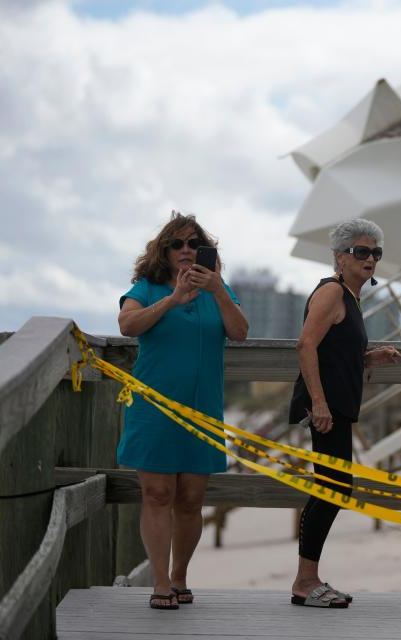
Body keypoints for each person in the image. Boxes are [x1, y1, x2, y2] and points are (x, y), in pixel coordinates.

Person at [117, 212, 248, 610]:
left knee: (191, 498)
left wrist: (218, 290)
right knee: (157, 493)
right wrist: (172, 300)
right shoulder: (148, 286)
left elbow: (240, 332)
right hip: (153, 407)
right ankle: (159, 582)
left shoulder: (218, 288)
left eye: (194, 243)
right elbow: (127, 325)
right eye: (178, 244)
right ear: (165, 251)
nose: (187, 250)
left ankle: (180, 577)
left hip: (202, 409)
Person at [288, 218, 401, 609]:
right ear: (340, 257)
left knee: (333, 488)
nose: (371, 259)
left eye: (376, 253)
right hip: (328, 409)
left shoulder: (350, 298)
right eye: (362, 252)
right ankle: (305, 582)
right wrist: (318, 403)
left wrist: (370, 357)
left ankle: (308, 578)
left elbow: (334, 350)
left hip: (338, 406)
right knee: (332, 489)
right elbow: (306, 345)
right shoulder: (332, 292)